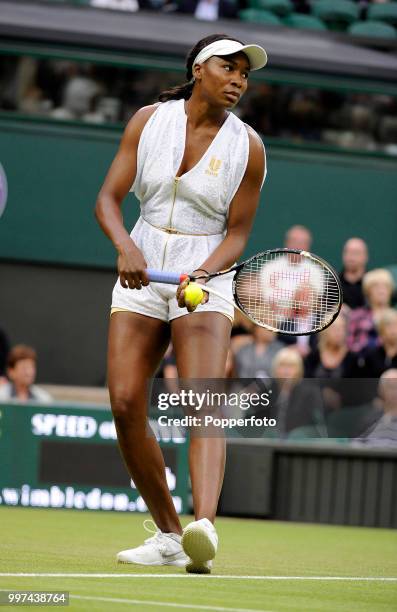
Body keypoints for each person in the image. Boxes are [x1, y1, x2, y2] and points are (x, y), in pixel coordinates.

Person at [95, 34, 267, 574]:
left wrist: (207, 271)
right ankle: (170, 535)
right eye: (228, 67)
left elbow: (238, 233)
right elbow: (107, 199)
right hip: (142, 263)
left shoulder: (251, 148)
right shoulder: (148, 120)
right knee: (125, 402)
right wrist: (126, 245)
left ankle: (204, 530)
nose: (238, 79)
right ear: (199, 68)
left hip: (207, 272)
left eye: (245, 73)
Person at [347, 268, 394, 354]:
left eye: (385, 286)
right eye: (376, 287)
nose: (381, 291)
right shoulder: (356, 316)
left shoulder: (395, 317)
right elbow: (350, 345)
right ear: (368, 292)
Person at [356, 369, 397, 448]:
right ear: (381, 390)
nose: (395, 391)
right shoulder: (369, 420)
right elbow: (355, 445)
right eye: (390, 386)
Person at [339, 237, 368, 309]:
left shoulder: (372, 284)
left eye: (356, 252)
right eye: (347, 252)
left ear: (365, 256)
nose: (351, 256)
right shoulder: (332, 284)